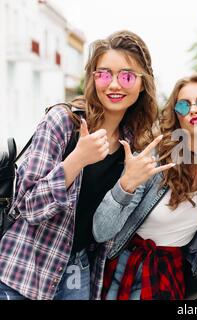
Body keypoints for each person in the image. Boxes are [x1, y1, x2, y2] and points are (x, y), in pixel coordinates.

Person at [0, 30, 158, 300]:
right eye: (104, 74)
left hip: (79, 272)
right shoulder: (62, 123)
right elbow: (26, 206)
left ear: (142, 84)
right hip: (25, 267)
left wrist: (127, 186)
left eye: (127, 76)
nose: (114, 85)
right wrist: (75, 162)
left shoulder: (133, 147)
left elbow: (106, 231)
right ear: (93, 78)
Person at [93, 73, 197, 300]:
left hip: (171, 271)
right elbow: (101, 231)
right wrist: (126, 185)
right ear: (177, 116)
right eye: (183, 105)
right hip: (125, 267)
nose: (194, 110)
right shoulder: (154, 159)